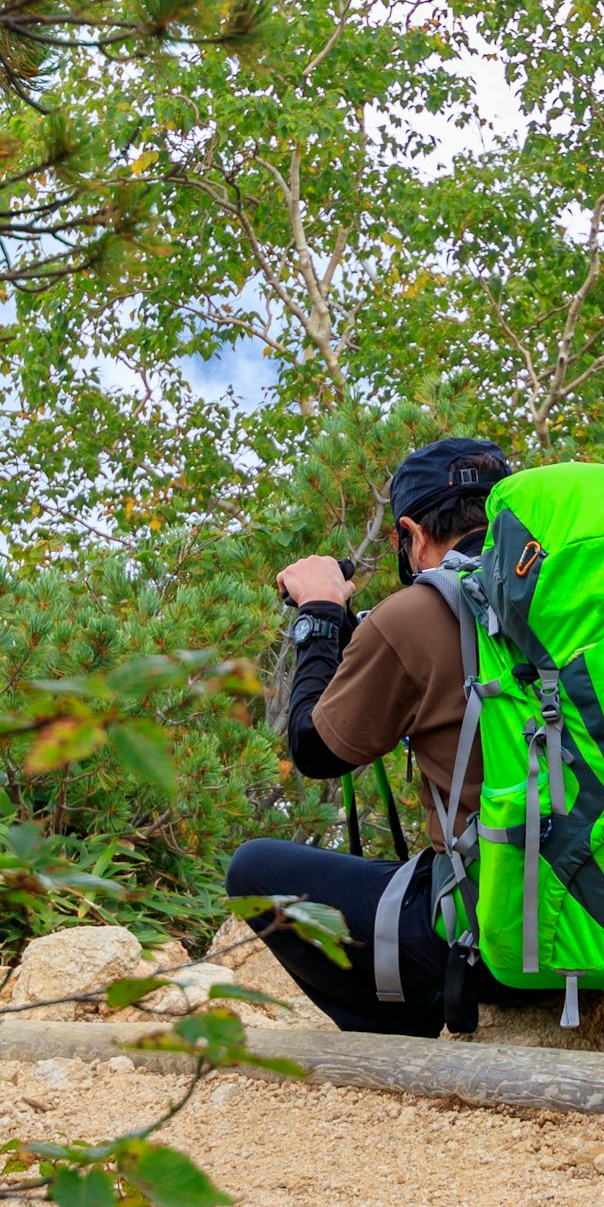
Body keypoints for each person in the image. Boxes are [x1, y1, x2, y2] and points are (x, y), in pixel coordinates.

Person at [223, 435, 524, 1035]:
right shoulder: (580, 603)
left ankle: (408, 1025)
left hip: (499, 935)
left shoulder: (417, 615)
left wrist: (321, 617)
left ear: (409, 535)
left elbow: (315, 749)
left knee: (253, 869)